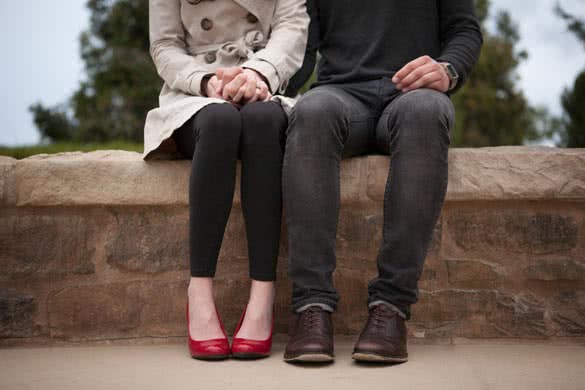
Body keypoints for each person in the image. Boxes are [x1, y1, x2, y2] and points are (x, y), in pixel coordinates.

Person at [282, 0, 483, 363]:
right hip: (341, 94)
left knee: (427, 111)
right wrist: (259, 79)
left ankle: (391, 308)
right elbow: (300, 49)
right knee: (310, 112)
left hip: (413, 93)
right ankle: (312, 307)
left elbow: (464, 30)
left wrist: (448, 70)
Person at [143, 0, 308, 360]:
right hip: (193, 91)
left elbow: (292, 26)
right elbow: (164, 44)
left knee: (263, 120)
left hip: (265, 82)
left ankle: (263, 295)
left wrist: (257, 75)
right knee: (221, 121)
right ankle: (199, 292)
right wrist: (205, 81)